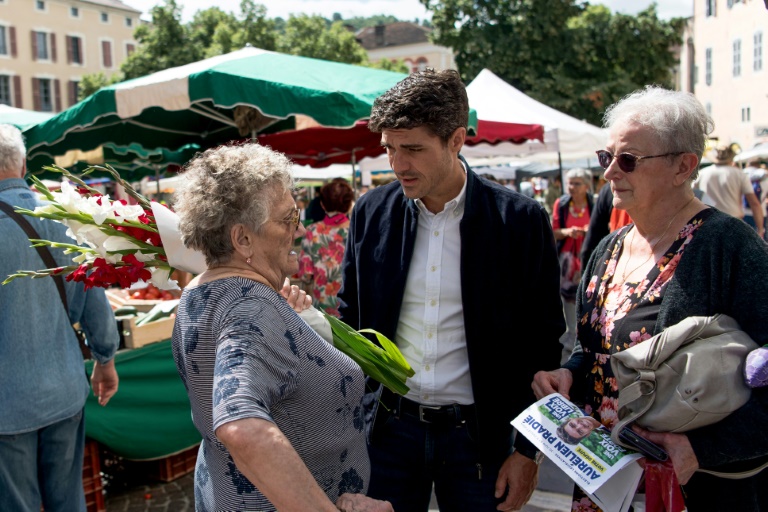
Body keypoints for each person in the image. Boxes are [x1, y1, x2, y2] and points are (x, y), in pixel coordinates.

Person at [532, 85, 768, 511]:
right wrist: (568, 374)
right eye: (607, 158)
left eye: (628, 160)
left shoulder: (729, 245)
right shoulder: (610, 247)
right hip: (604, 480)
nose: (609, 174)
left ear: (684, 166)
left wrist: (702, 448)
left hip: (691, 487)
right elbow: (594, 349)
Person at [338, 69, 565, 512]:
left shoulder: (519, 221)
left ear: (457, 140)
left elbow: (542, 343)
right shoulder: (369, 212)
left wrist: (527, 452)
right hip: (388, 433)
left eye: (414, 149)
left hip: (481, 440)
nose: (398, 164)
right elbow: (352, 319)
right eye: (389, 149)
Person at [170, 143, 392, 512]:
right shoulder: (251, 308)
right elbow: (240, 423)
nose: (299, 228)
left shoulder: (198, 293)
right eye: (287, 218)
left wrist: (288, 322)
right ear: (242, 239)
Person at [0, 123, 120, 512]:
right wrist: (105, 359)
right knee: (68, 501)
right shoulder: (60, 219)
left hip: (6, 406)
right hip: (62, 389)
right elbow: (94, 297)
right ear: (22, 166)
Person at [552, 168, 593, 365]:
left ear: (586, 185)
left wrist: (588, 231)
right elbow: (554, 232)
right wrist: (568, 232)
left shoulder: (594, 204)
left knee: (590, 297)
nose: (572, 187)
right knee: (569, 299)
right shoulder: (561, 204)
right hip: (568, 260)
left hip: (589, 257)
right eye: (570, 183)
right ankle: (574, 338)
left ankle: (588, 335)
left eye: (577, 183)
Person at [297, 178, 354, 317]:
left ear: (322, 204)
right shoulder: (357, 230)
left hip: (323, 304)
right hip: (353, 303)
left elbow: (305, 275)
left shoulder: (312, 231)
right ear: (349, 205)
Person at [695, 143, 765, 238]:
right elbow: (754, 203)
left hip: (708, 222)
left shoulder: (702, 174)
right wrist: (760, 229)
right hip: (733, 222)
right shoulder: (739, 174)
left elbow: (692, 197)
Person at [743, 158, 768, 240]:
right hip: (761, 212)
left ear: (747, 164)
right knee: (759, 242)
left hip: (743, 212)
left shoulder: (742, 174)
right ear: (759, 164)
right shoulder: (765, 176)